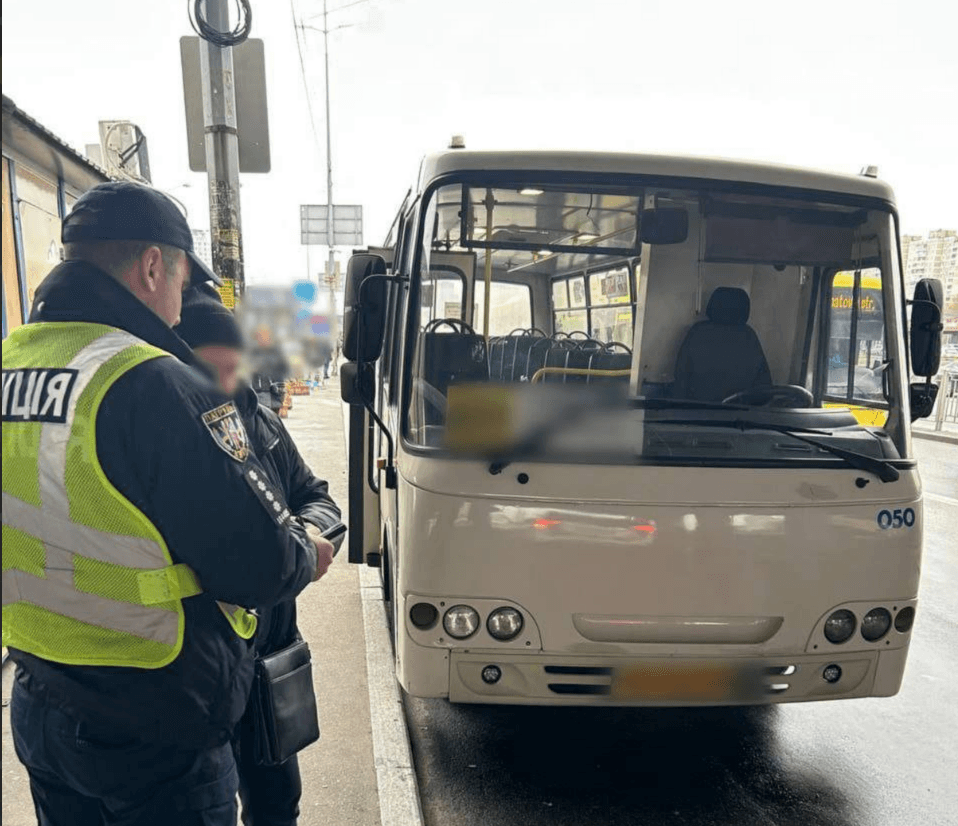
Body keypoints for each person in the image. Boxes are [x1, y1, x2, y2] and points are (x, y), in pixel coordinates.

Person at [1, 181, 334, 826]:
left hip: (40, 700)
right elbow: (258, 565)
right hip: (152, 718)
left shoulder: (11, 368)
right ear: (153, 266)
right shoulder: (150, 380)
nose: (180, 308)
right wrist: (307, 550)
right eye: (181, 281)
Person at [177, 284, 341, 826]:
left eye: (234, 371)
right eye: (208, 373)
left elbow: (318, 497)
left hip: (268, 658)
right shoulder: (171, 431)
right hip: (197, 672)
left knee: (276, 804)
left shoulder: (264, 425)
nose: (225, 388)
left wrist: (306, 538)